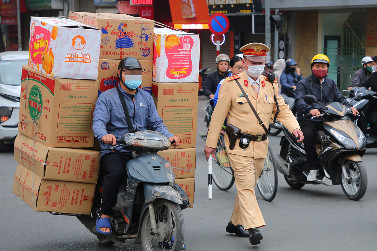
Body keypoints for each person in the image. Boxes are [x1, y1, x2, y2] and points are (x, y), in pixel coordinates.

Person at [204, 43, 303, 246]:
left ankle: (234, 223)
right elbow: (217, 116)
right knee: (246, 186)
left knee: (247, 185)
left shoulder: (270, 84)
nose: (258, 66)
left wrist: (294, 127)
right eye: (253, 62)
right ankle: (253, 227)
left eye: (261, 62)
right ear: (245, 63)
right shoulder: (231, 85)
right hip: (237, 145)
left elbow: (281, 109)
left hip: (261, 145)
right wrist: (211, 144)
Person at [92, 57, 179, 235]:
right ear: (120, 74)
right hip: (117, 150)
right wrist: (105, 135)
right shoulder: (107, 98)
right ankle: (106, 214)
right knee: (115, 173)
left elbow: (157, 123)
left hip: (143, 151)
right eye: (129, 72)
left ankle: (173, 223)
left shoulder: (146, 98)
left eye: (137, 73)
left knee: (163, 173)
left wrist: (169, 136)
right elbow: (98, 123)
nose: (134, 76)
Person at [295, 54, 358, 182]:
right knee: (308, 135)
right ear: (312, 67)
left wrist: (350, 107)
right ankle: (313, 167)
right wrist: (309, 109)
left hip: (328, 118)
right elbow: (299, 100)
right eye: (317, 66)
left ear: (327, 68)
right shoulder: (303, 83)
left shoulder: (331, 83)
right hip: (309, 119)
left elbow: (340, 98)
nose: (320, 68)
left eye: (323, 66)